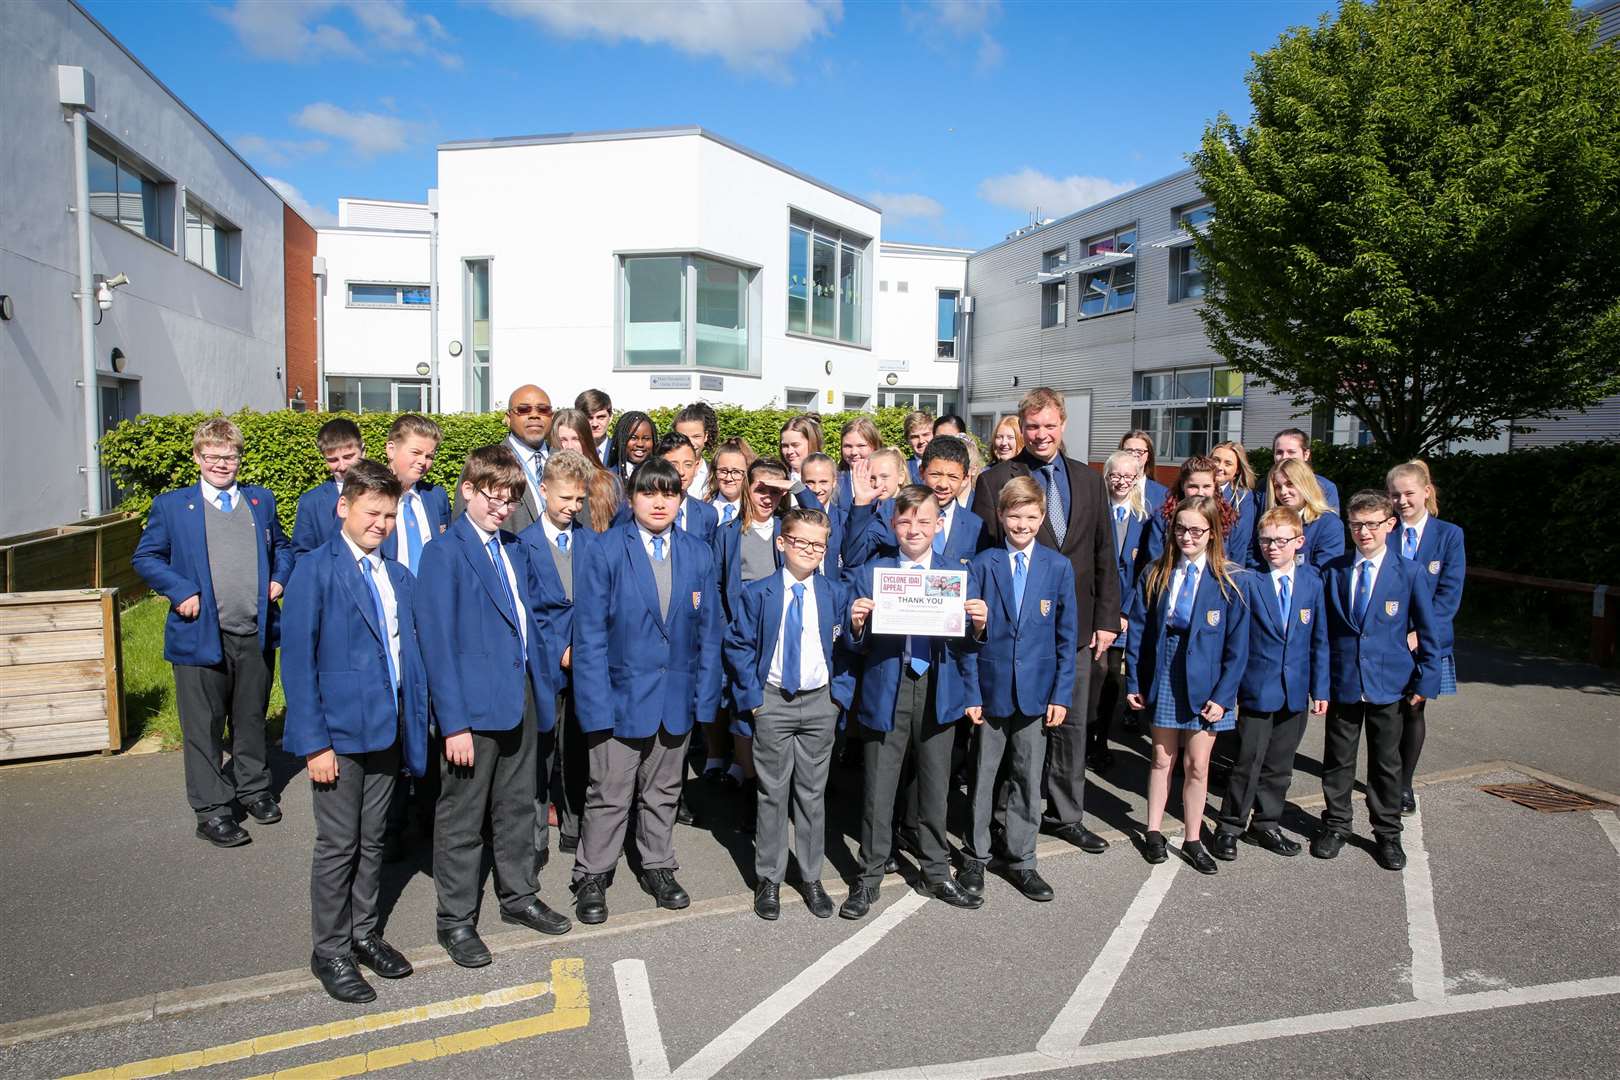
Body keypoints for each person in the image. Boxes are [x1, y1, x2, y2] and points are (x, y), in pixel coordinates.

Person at [416, 446, 571, 968]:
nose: (501, 507)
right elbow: (436, 643)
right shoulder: (444, 553)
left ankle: (518, 896)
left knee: (516, 805)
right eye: (492, 497)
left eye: (509, 499)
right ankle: (455, 920)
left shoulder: (515, 548)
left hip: (521, 698)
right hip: (472, 711)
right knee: (462, 817)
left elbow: (535, 619)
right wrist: (453, 723)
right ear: (467, 491)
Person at [281, 460, 429, 1003]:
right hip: (337, 740)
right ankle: (330, 950)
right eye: (372, 513)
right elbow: (296, 664)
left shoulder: (397, 576)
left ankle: (364, 933)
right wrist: (314, 742)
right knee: (338, 846)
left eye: (390, 515)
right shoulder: (315, 571)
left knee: (373, 843)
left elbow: (407, 656)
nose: (381, 524)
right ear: (343, 508)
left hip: (386, 733)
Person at [570, 458, 723, 925]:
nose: (659, 502)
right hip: (618, 699)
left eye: (669, 493)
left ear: (681, 499)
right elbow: (590, 634)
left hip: (674, 697)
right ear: (631, 497)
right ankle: (593, 874)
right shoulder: (605, 549)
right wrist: (594, 705)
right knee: (609, 792)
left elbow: (710, 632)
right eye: (649, 493)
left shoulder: (698, 553)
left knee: (664, 791)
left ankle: (658, 865)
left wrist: (705, 699)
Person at [132, 418, 294, 847]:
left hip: (253, 631)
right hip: (200, 635)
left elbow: (284, 548)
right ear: (197, 458)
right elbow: (147, 557)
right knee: (204, 726)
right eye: (214, 456)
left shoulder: (260, 501)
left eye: (230, 455)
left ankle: (254, 789)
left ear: (240, 457)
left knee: (250, 718)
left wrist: (280, 578)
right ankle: (212, 810)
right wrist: (180, 589)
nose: (223, 463)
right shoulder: (173, 506)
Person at [971, 388, 1119, 855]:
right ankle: (1003, 820)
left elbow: (1103, 553)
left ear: (1063, 424)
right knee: (1012, 729)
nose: (1040, 434)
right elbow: (982, 556)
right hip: (1013, 632)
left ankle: (1066, 813)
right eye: (1032, 426)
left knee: (1070, 724)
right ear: (1021, 427)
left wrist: (1107, 618)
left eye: (1049, 425)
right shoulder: (996, 480)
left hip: (1072, 628)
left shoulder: (1089, 480)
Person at [840, 485, 987, 918]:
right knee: (878, 789)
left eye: (924, 521)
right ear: (892, 524)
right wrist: (857, 623)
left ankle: (936, 870)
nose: (914, 529)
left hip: (939, 688)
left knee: (934, 787)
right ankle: (868, 877)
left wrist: (978, 627)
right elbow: (854, 644)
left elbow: (967, 650)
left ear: (939, 525)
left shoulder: (955, 574)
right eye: (905, 521)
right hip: (889, 686)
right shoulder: (874, 573)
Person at [723, 507, 854, 920]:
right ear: (782, 543)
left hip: (819, 703)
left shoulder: (834, 593)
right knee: (772, 792)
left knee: (812, 796)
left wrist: (837, 699)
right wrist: (755, 700)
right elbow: (739, 646)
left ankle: (812, 875)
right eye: (801, 542)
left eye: (818, 544)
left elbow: (849, 649)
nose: (809, 550)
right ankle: (770, 878)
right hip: (773, 700)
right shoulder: (758, 593)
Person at [959, 477, 1077, 904]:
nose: (1022, 523)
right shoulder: (982, 565)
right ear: (1001, 516)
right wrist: (971, 693)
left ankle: (1023, 858)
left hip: (1036, 695)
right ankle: (976, 854)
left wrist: (1061, 695)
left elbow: (1067, 637)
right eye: (1014, 515)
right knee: (983, 775)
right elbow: (967, 641)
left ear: (1042, 518)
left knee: (1028, 778)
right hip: (989, 694)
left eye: (1031, 516)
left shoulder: (1057, 566)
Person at [1125, 495, 1250, 875]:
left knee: (1198, 765)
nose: (1187, 537)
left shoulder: (1231, 579)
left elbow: (1237, 648)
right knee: (1163, 758)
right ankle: (1153, 832)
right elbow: (1139, 633)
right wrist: (1135, 679)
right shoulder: (1156, 572)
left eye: (1196, 530)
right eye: (1180, 529)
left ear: (1212, 533)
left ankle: (1193, 837)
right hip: (1165, 668)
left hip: (1208, 682)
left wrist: (1223, 697)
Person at [1315, 490, 1439, 870]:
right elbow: (1322, 635)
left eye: (1372, 524)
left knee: (1386, 763)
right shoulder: (1333, 570)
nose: (1364, 532)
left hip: (1390, 683)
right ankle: (1336, 824)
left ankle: (1387, 833)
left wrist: (1425, 681)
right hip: (1345, 681)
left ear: (1389, 525)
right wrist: (1320, 686)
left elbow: (1429, 631)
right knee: (1338, 760)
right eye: (1356, 525)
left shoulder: (1410, 572)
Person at [1210, 506, 1329, 861]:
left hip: (1295, 689)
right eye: (1265, 540)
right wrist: (1228, 692)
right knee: (1248, 760)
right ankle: (1230, 825)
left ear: (1299, 542)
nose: (1272, 547)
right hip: (1258, 688)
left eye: (1280, 540)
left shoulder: (1312, 582)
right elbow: (1237, 643)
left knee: (1280, 764)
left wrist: (1320, 688)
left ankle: (1266, 824)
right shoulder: (1248, 581)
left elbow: (1319, 640)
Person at [519, 451, 596, 865]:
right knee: (538, 754)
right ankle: (533, 839)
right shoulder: (524, 546)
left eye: (579, 500)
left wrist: (580, 647)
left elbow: (597, 604)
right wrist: (557, 649)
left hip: (581, 665)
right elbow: (527, 614)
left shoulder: (591, 542)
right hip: (544, 666)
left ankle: (574, 825)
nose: (572, 507)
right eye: (565, 498)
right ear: (544, 490)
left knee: (577, 750)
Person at [1385, 460, 1464, 816]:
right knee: (1386, 712)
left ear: (1426, 492)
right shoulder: (1384, 530)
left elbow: (1448, 596)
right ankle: (1384, 779)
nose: (1402, 501)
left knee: (1414, 709)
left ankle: (1404, 784)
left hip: (1426, 640)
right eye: (1395, 494)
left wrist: (1421, 635)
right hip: (1386, 639)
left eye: (1409, 493)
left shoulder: (1449, 535)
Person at [1089, 450, 1154, 768]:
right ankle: (1085, 736)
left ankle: (1101, 739)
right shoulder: (1094, 512)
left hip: (1124, 613)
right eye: (1116, 475)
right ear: (1106, 475)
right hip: (1095, 607)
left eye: (1129, 476)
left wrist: (1127, 611)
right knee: (1093, 674)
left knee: (1113, 677)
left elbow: (1145, 570)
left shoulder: (1145, 517)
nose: (1122, 482)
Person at [453, 386, 553, 534]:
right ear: (508, 418)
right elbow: (461, 528)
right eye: (524, 409)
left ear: (552, 416)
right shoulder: (484, 462)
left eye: (543, 409)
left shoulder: (569, 462)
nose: (534, 415)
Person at [381, 414, 450, 576]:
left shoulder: (436, 496)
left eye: (429, 456)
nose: (422, 461)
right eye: (416, 452)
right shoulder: (369, 495)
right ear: (391, 450)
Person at [291, 418, 364, 559]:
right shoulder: (311, 501)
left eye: (348, 457)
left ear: (363, 450)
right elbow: (302, 553)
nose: (342, 466)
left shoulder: (382, 490)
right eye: (333, 460)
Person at [549, 407, 621, 530]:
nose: (570, 447)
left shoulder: (607, 482)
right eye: (563, 440)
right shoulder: (545, 481)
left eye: (576, 439)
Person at [1266, 459, 1344, 570]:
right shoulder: (1269, 522)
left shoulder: (1329, 523)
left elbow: (1325, 570)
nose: (1283, 492)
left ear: (1305, 484)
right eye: (1278, 487)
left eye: (1290, 484)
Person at [1211, 441, 1260, 569]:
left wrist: (1234, 575)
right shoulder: (1193, 489)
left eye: (1228, 463)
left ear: (1237, 470)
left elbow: (1240, 543)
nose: (1219, 467)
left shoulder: (1243, 498)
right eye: (1216, 460)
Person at [798, 452, 845, 578]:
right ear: (801, 482)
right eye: (810, 482)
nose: (816, 489)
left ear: (834, 482)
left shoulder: (845, 520)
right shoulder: (792, 519)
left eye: (823, 482)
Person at [1271, 428, 1339, 511]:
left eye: (1291, 452)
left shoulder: (1325, 487)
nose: (1284, 457)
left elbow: (1329, 521)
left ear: (1306, 454)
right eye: (1279, 452)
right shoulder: (1263, 487)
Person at [707, 438, 755, 529]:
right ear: (714, 473)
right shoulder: (701, 511)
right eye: (723, 471)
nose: (729, 478)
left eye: (736, 472)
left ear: (747, 474)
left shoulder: (756, 513)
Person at [674, 403, 718, 501]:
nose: (690, 443)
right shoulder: (663, 471)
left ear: (706, 436)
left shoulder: (714, 475)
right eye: (684, 437)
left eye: (696, 436)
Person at [836, 416, 883, 506]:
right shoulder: (835, 480)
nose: (853, 452)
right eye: (848, 446)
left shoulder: (887, 478)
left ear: (875, 446)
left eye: (861, 446)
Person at [1120, 430, 1169, 510]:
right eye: (1128, 451)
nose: (1133, 455)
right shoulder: (1105, 490)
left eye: (1139, 451)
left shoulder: (1162, 494)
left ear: (1149, 456)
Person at [606, 410, 657, 482]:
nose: (640, 444)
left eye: (646, 438)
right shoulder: (609, 477)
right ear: (621, 440)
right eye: (633, 438)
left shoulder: (660, 476)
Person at [778, 415, 823, 483]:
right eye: (785, 446)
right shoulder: (777, 478)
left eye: (795, 445)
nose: (789, 451)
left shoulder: (831, 479)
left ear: (812, 443)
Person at [576, 388, 614, 463]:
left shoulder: (619, 453)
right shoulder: (571, 451)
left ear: (610, 417)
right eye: (589, 418)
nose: (595, 424)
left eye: (601, 417)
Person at [902, 410, 934, 483]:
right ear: (907, 440)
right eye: (915, 437)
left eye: (925, 434)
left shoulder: (946, 463)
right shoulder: (903, 469)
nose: (921, 441)